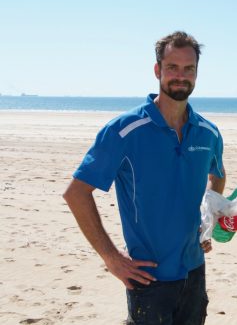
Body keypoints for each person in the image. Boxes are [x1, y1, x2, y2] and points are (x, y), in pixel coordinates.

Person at [63, 31, 225, 325]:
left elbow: (218, 175)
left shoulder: (209, 132)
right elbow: (76, 193)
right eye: (172, 67)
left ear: (197, 73)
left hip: (194, 272)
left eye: (188, 68)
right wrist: (112, 258)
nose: (181, 75)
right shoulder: (124, 130)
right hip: (148, 277)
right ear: (157, 70)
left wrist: (208, 221)